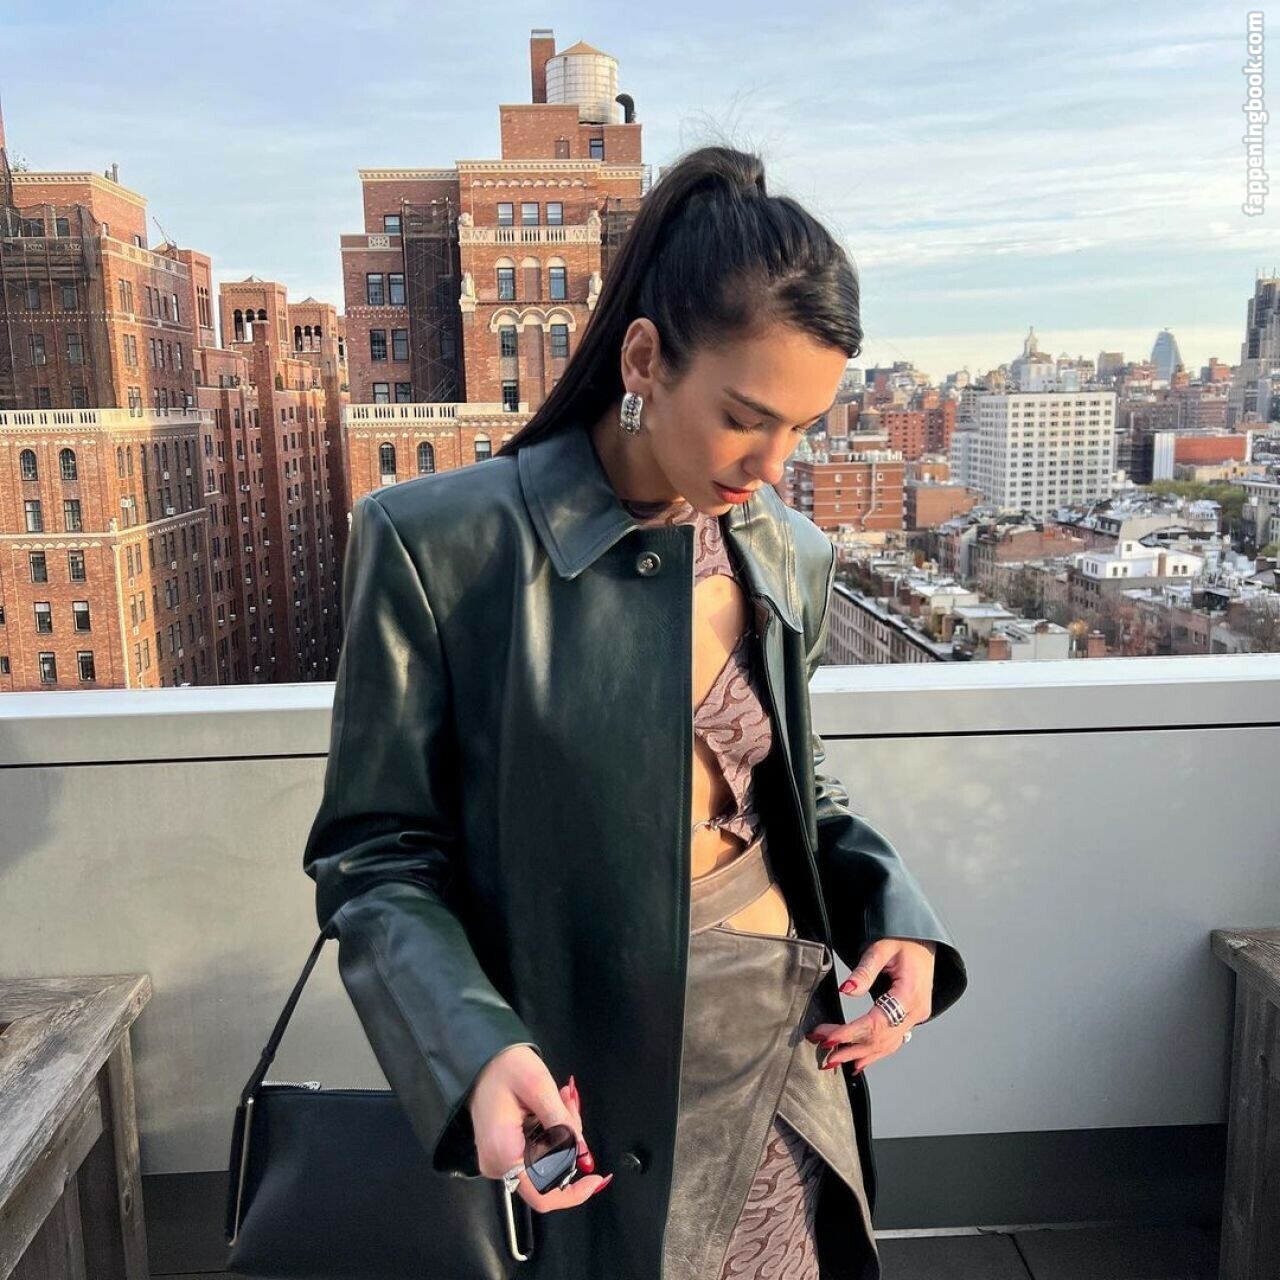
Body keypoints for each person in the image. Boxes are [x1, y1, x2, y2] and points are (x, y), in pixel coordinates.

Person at [303, 144, 968, 1280]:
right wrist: (471, 1043)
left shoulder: (787, 553)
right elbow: (375, 856)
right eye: (745, 417)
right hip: (584, 1071)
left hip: (789, 1044)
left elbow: (793, 788)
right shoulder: (436, 544)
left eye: (803, 428)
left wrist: (892, 913)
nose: (773, 465)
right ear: (647, 358)